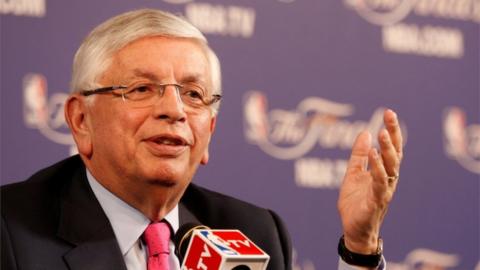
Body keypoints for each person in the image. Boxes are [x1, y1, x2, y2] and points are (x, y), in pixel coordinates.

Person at [0, 8, 403, 270]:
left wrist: (359, 245)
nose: (174, 110)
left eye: (193, 95)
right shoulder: (12, 233)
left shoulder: (253, 232)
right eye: (142, 89)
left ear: (209, 131)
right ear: (80, 120)